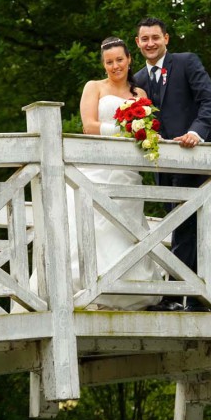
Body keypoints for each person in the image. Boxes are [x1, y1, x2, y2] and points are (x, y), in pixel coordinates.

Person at [66, 37, 163, 310]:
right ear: (103, 64)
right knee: (94, 224)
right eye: (109, 62)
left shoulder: (141, 94)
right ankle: (85, 287)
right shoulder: (94, 87)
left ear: (129, 59)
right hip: (98, 165)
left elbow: (149, 128)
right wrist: (126, 130)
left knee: (127, 226)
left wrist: (143, 133)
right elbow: (89, 126)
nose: (115, 66)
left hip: (126, 169)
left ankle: (132, 288)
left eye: (119, 60)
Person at [133, 17, 211, 313]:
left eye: (155, 37)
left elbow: (208, 101)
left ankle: (181, 296)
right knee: (175, 226)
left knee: (188, 227)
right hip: (162, 165)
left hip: (192, 159)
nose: (150, 43)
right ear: (138, 43)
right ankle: (187, 296)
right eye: (145, 39)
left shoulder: (186, 62)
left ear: (166, 39)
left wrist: (196, 132)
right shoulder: (138, 81)